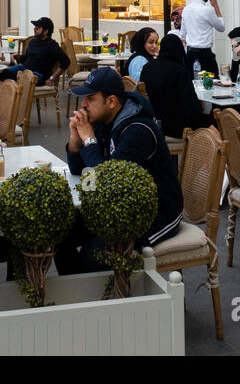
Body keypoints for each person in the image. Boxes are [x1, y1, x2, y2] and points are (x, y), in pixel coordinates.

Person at [58, 68, 184, 273]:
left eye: (90, 98)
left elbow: (107, 182)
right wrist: (75, 140)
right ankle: (78, 298)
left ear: (111, 101)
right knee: (60, 232)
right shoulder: (104, 121)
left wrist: (89, 140)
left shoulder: (138, 130)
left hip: (156, 212)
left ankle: (96, 299)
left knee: (94, 255)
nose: (83, 105)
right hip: (119, 205)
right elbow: (79, 170)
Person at [139, 33, 208, 139]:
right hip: (176, 127)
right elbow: (190, 104)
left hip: (152, 122)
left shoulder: (147, 67)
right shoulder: (180, 72)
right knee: (212, 119)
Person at [0, 17, 70, 86]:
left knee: (6, 75)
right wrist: (15, 56)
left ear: (45, 31)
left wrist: (52, 78)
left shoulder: (52, 45)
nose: (34, 29)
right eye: (35, 27)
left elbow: (66, 61)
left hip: (38, 76)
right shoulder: (33, 42)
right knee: (3, 74)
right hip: (24, 72)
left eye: (37, 28)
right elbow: (24, 59)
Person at [179, 0, 224, 75]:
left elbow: (182, 34)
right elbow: (221, 27)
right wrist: (216, 6)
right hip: (205, 55)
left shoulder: (186, 9)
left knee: (193, 83)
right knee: (211, 82)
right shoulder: (208, 10)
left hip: (190, 54)